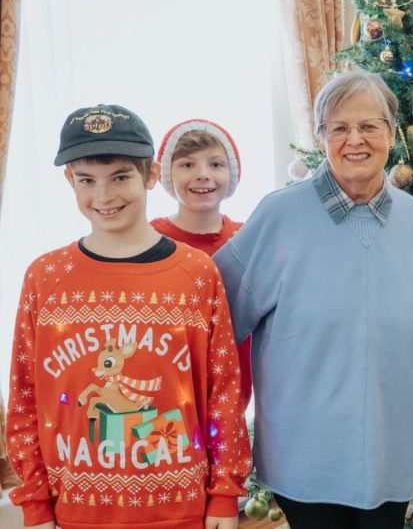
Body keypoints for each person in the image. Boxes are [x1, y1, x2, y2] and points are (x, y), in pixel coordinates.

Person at [213, 70, 413, 529]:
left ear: (391, 133)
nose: (355, 140)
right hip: (304, 457)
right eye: (339, 128)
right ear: (321, 136)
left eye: (369, 126)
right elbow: (214, 319)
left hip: (393, 453)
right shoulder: (279, 215)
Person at [5, 104, 251, 529]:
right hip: (75, 512)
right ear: (70, 181)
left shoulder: (195, 273)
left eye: (120, 177)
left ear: (151, 176)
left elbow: (223, 392)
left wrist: (225, 494)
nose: (103, 196)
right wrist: (36, 505)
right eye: (87, 181)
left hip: (179, 508)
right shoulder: (45, 277)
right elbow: (25, 397)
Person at [150, 119, 251, 406]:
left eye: (216, 164)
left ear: (232, 174)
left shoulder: (247, 239)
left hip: (232, 397)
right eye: (187, 165)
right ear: (167, 174)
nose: (203, 175)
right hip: (165, 396)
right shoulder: (149, 239)